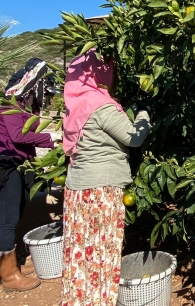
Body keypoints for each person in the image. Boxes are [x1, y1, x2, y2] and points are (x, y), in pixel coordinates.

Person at [61, 50, 151, 305]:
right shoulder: (100, 105)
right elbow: (134, 137)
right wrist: (144, 113)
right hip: (100, 192)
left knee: (80, 256)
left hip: (77, 191)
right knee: (102, 253)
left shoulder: (76, 105)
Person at [0, 58, 55, 292]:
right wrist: (50, 139)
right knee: (8, 220)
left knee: (17, 213)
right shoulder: (10, 101)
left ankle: (12, 265)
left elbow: (29, 132)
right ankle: (9, 277)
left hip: (22, 164)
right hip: (7, 165)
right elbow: (17, 135)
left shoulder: (26, 102)